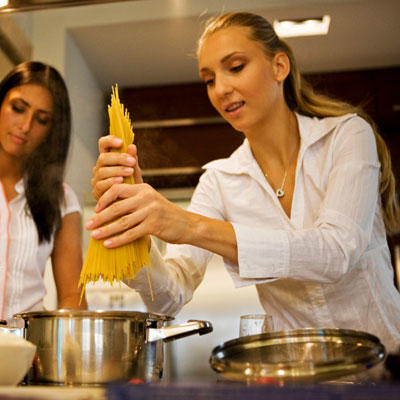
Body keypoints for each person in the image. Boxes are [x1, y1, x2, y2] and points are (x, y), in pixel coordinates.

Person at [86, 12, 400, 353]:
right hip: (293, 378)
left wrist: (188, 224)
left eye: (235, 67)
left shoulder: (347, 135)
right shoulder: (220, 180)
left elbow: (337, 253)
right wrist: (132, 232)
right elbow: (168, 297)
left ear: (279, 67)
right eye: (208, 79)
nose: (220, 89)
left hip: (383, 368)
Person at [0, 61, 87, 322]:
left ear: (52, 131)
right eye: (17, 109)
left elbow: (73, 296)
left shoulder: (60, 199)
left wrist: (58, 345)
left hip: (27, 352)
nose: (25, 126)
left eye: (41, 120)